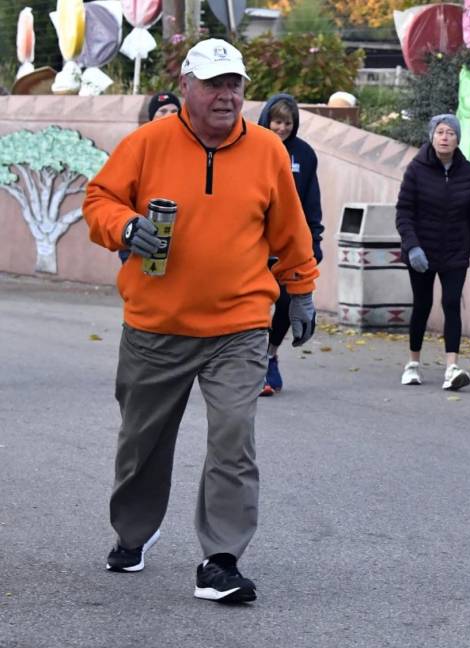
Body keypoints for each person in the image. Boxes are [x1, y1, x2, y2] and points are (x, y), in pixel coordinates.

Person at [83, 39, 319, 604]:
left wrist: (302, 291)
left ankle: (221, 559)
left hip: (237, 326)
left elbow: (290, 230)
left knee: (234, 437)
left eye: (234, 84)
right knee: (143, 442)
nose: (226, 95)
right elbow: (98, 199)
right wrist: (123, 226)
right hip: (156, 325)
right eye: (213, 84)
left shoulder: (266, 151)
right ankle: (133, 533)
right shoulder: (147, 143)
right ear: (186, 86)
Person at [395, 114, 470, 390]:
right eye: (440, 132)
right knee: (422, 305)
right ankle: (413, 364)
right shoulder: (416, 169)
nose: (445, 138)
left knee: (451, 304)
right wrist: (412, 247)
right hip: (422, 251)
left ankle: (451, 367)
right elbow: (404, 213)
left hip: (456, 250)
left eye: (451, 133)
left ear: (458, 139)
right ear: (432, 136)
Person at [256, 93, 324, 396]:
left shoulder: (305, 155)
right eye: (276, 122)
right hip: (254, 245)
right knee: (255, 306)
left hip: (288, 248)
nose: (281, 128)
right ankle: (253, 364)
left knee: (285, 303)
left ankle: (270, 354)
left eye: (287, 123)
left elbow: (311, 201)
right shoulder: (251, 148)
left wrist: (314, 240)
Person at [117, 91, 183, 264]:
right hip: (141, 240)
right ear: (151, 117)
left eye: (173, 110)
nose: (168, 115)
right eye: (162, 111)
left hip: (179, 244)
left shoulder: (192, 150)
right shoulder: (136, 147)